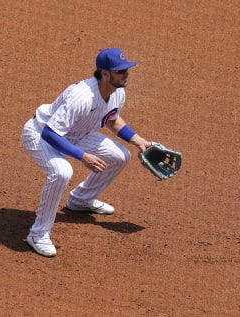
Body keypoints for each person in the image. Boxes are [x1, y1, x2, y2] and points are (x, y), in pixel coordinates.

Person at [21, 48, 152, 257]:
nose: (126, 74)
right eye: (120, 71)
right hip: (40, 133)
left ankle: (81, 200)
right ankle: (38, 234)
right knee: (62, 172)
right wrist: (82, 156)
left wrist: (138, 141)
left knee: (120, 156)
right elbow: (50, 134)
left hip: (77, 133)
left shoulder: (117, 92)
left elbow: (111, 118)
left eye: (126, 69)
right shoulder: (81, 97)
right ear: (105, 73)